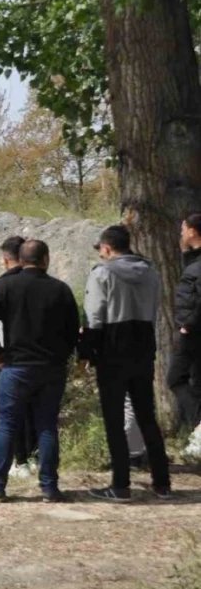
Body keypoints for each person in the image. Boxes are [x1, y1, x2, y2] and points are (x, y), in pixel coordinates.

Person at [0, 240, 79, 503]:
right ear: (45, 259)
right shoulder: (60, 289)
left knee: (7, 426)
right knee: (47, 426)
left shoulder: (5, 286)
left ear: (20, 260)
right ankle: (50, 487)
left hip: (17, 367)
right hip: (51, 369)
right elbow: (73, 329)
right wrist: (62, 356)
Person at [80, 225, 171, 502]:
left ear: (106, 248)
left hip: (112, 350)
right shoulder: (151, 272)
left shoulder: (102, 273)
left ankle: (120, 485)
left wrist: (85, 352)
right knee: (146, 416)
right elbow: (155, 309)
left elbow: (94, 317)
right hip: (143, 348)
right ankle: (162, 482)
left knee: (113, 418)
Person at [0, 236, 38, 479]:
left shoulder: (3, 285)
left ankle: (19, 462)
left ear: (5, 260)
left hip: (12, 358)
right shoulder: (44, 283)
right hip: (42, 359)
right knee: (37, 413)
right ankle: (36, 459)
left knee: (12, 415)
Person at [169, 214, 201, 457]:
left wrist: (187, 325)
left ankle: (199, 428)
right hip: (193, 330)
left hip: (193, 332)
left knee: (175, 378)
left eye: (183, 229)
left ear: (192, 231)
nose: (181, 234)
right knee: (197, 383)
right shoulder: (193, 260)